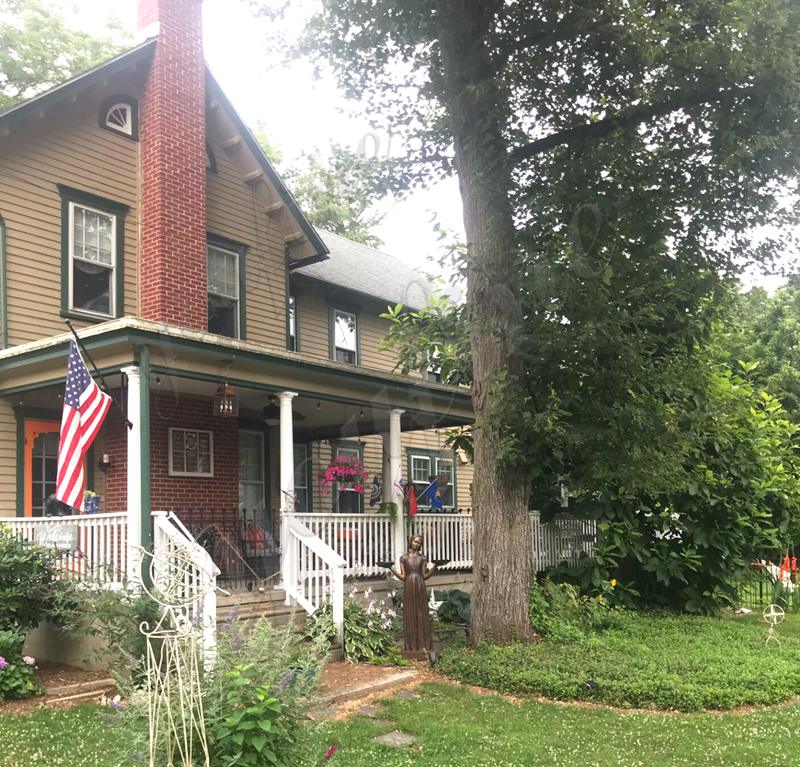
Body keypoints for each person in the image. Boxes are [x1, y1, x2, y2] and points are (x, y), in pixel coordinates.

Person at [391, 534, 436, 653]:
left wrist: (435, 568)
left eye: (419, 542)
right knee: (410, 612)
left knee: (421, 612)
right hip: (409, 585)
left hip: (420, 584)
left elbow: (425, 575)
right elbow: (403, 576)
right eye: (415, 541)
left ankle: (423, 645)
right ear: (410, 542)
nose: (416, 544)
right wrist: (392, 569)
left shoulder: (423, 558)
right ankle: (410, 646)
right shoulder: (403, 558)